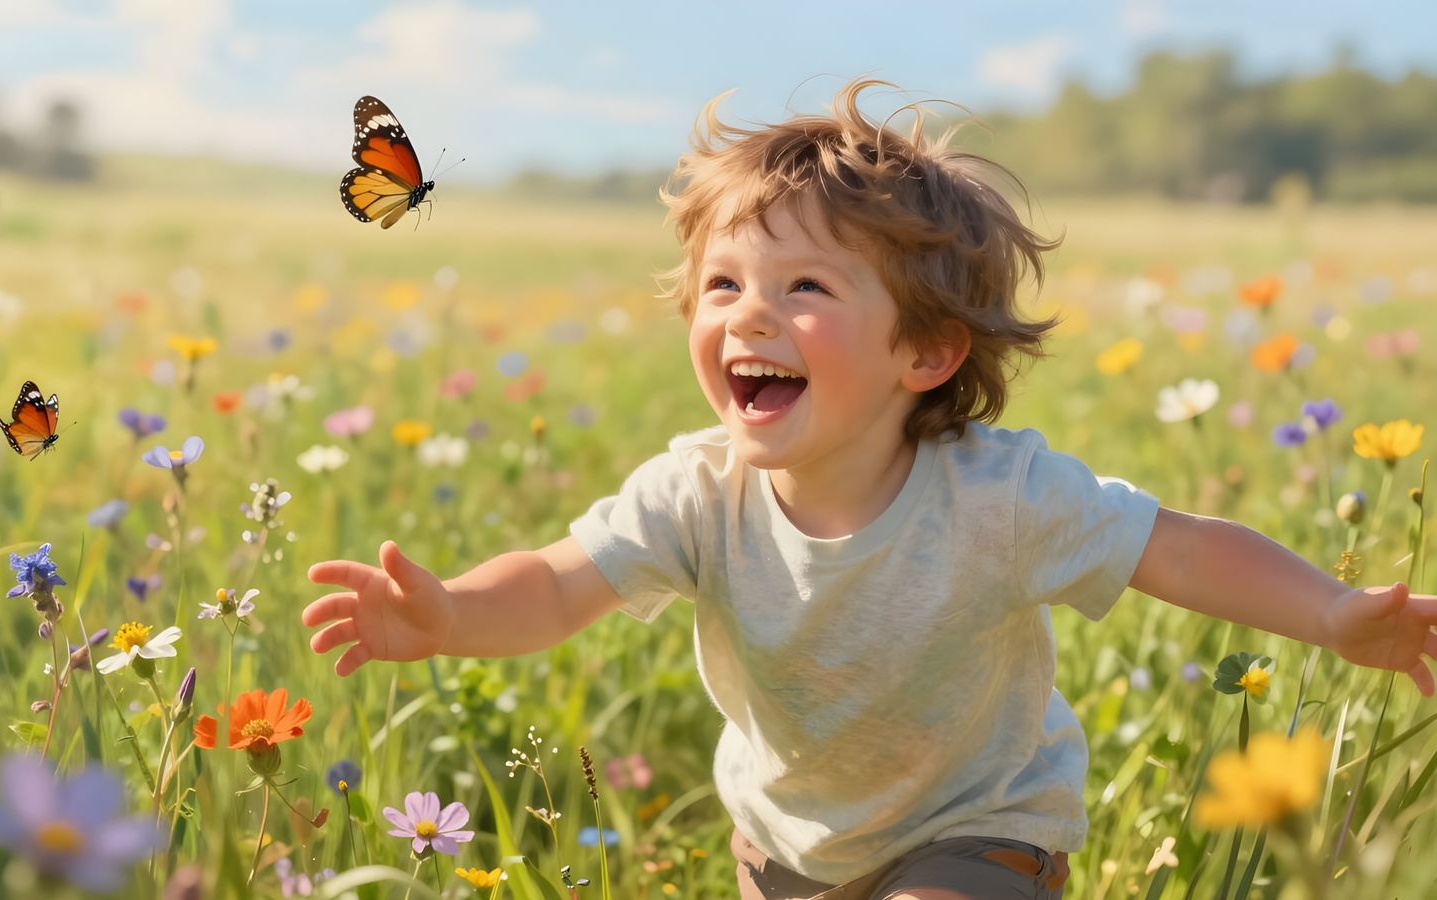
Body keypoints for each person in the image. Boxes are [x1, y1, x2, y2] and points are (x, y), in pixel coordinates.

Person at [301, 78, 1437, 899]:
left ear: (926, 353)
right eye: (722, 283)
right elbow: (553, 586)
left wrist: (1331, 613)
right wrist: (451, 616)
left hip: (978, 835)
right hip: (785, 852)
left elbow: (1179, 549)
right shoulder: (695, 493)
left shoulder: (1002, 498)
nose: (746, 313)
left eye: (802, 286)